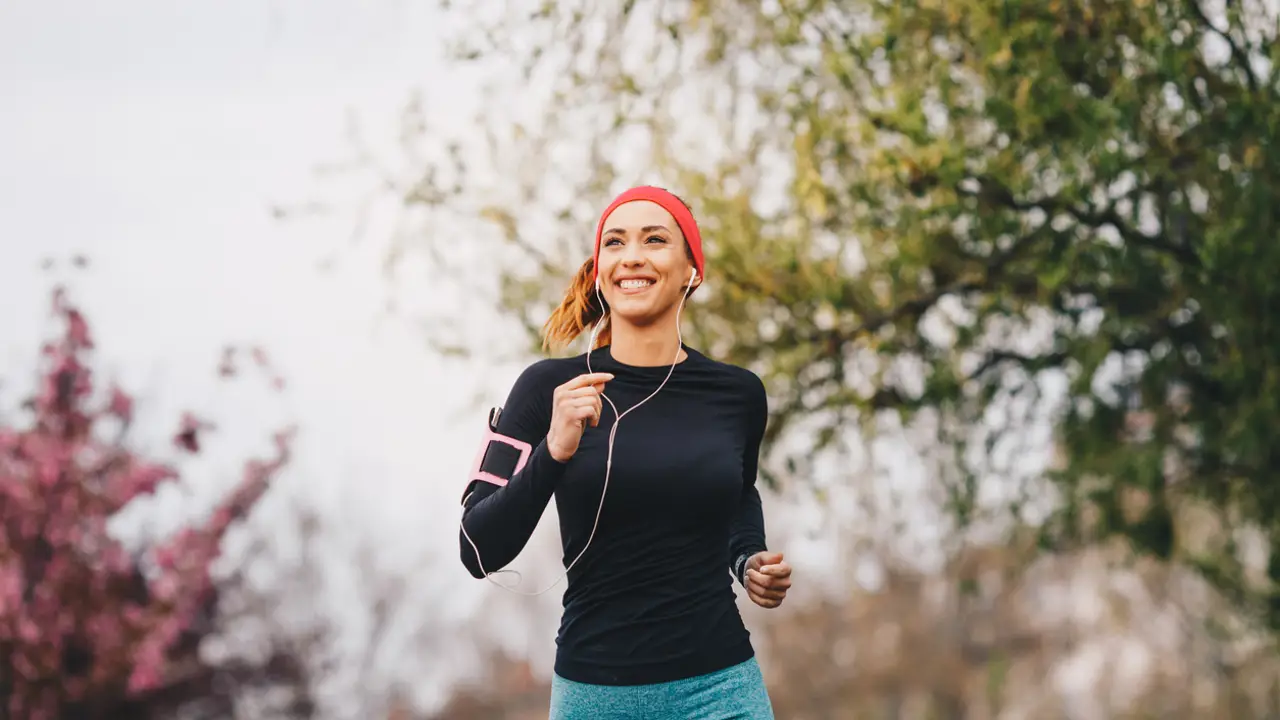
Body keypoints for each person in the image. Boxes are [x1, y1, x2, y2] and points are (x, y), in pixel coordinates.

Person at [458, 186, 792, 719]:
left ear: (692, 271)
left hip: (722, 691)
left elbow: (737, 493)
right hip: (596, 696)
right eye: (615, 242)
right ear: (600, 271)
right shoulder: (547, 388)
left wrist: (747, 558)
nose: (632, 255)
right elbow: (477, 549)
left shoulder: (738, 393)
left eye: (655, 239)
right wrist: (553, 450)